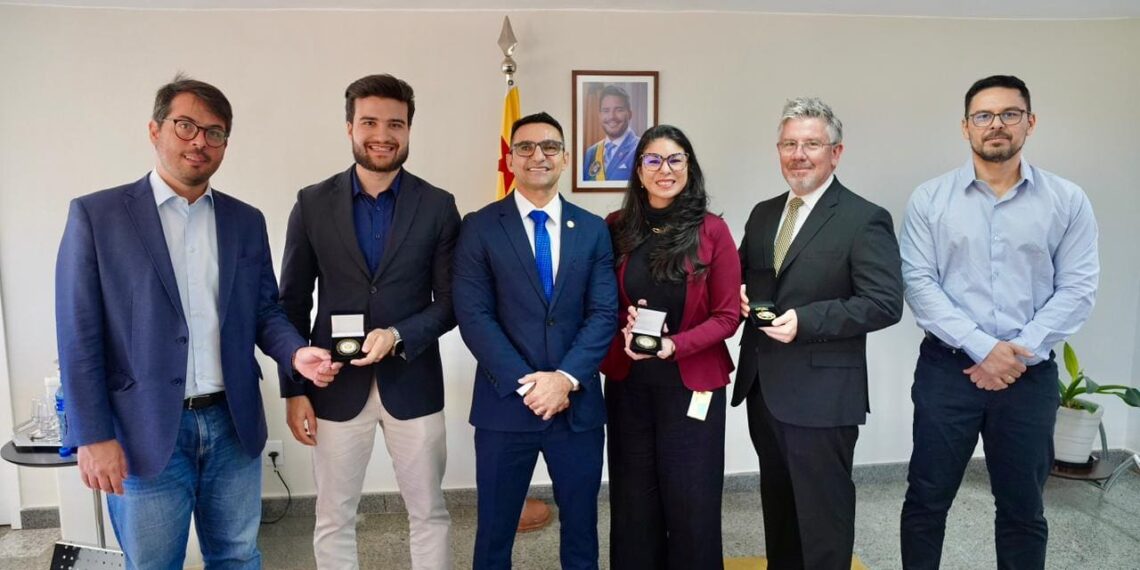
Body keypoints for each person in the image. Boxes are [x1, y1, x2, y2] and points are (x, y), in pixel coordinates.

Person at [55, 74, 337, 569]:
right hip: (141, 430)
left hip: (232, 424)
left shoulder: (244, 221)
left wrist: (295, 353)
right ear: (155, 130)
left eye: (214, 132)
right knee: (153, 564)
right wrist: (92, 435)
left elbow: (264, 311)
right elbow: (78, 335)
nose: (199, 142)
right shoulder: (98, 216)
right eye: (185, 126)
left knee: (238, 557)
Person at [898, 75, 1099, 570]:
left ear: (1030, 122)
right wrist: (983, 349)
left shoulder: (1067, 200)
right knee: (926, 499)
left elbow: (1077, 289)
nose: (996, 125)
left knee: (1023, 509)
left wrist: (1015, 353)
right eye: (983, 116)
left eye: (1010, 114)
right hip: (948, 372)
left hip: (1028, 377)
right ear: (965, 126)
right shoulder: (930, 199)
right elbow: (919, 285)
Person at [277, 74, 459, 570]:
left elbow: (451, 303)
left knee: (430, 512)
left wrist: (399, 334)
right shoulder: (311, 203)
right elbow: (291, 303)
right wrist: (294, 389)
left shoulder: (438, 206)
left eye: (395, 124)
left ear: (409, 130)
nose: (382, 134)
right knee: (333, 516)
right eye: (370, 122)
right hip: (333, 384)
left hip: (413, 381)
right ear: (349, 127)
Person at [733, 97, 903, 570]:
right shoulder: (764, 213)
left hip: (824, 396)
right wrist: (740, 297)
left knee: (823, 519)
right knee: (781, 512)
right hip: (763, 389)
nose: (798, 154)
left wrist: (808, 321)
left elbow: (884, 303)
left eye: (811, 144)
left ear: (836, 152)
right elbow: (746, 277)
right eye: (789, 144)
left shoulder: (863, 218)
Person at [453, 112, 617, 570]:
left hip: (576, 407)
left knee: (582, 529)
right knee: (494, 532)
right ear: (510, 159)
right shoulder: (480, 226)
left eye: (549, 147)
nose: (537, 155)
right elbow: (474, 315)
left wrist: (564, 379)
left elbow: (604, 313)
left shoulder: (593, 229)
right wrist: (530, 384)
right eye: (525, 147)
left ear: (565, 157)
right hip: (506, 404)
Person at [599, 124, 741, 569]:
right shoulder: (615, 228)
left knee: (691, 502)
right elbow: (601, 303)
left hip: (692, 386)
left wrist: (673, 346)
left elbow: (727, 317)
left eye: (676, 159)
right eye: (653, 160)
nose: (665, 169)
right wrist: (623, 329)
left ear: (689, 168)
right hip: (629, 384)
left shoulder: (713, 231)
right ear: (639, 171)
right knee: (633, 502)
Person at [582, 84, 638, 182]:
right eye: (606, 110)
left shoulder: (641, 148)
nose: (611, 116)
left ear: (630, 114)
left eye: (619, 110)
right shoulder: (591, 153)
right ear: (599, 115)